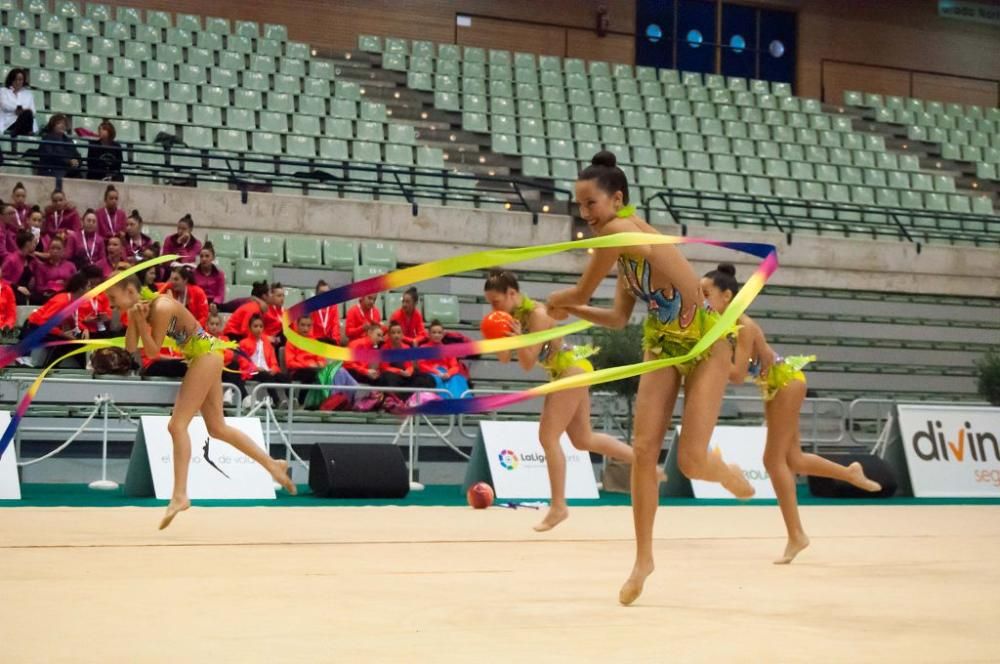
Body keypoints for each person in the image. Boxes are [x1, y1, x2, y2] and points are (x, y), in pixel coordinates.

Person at [545, 151, 753, 605]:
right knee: (642, 451)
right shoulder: (623, 251)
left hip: (706, 343)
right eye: (579, 207)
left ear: (617, 200)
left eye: (591, 205)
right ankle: (643, 559)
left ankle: (724, 471)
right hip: (661, 342)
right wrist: (572, 311)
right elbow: (618, 318)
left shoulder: (621, 232)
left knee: (692, 463)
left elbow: (579, 291)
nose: (585, 216)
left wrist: (555, 303)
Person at [701, 264, 881, 564]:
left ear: (727, 295)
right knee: (793, 459)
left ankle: (796, 534)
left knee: (772, 460)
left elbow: (735, 375)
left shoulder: (742, 325)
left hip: (786, 382)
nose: (702, 299)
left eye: (706, 293)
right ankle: (849, 473)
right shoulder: (724, 325)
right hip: (776, 385)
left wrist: (706, 357)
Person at [105, 276, 297, 528]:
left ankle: (180, 494)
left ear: (130, 291)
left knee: (177, 426)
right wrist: (136, 320)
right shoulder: (142, 308)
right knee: (217, 428)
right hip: (205, 355)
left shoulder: (161, 307)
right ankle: (272, 463)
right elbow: (131, 347)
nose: (110, 305)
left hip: (206, 355)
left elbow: (152, 353)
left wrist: (140, 321)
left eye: (112, 299)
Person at [485, 270, 639, 531]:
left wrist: (519, 338)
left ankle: (558, 506)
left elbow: (525, 364)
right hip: (566, 370)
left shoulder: (537, 315)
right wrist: (498, 336)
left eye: (496, 302)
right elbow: (503, 359)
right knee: (583, 439)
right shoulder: (514, 317)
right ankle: (642, 461)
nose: (493, 307)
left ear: (512, 294)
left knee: (548, 437)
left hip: (571, 368)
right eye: (490, 303)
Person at [21, 271, 90, 368]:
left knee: (75, 344)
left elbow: (74, 318)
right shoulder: (62, 301)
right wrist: (63, 334)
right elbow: (45, 323)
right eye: (88, 286)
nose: (90, 289)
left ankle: (83, 369)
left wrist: (85, 328)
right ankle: (47, 369)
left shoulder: (74, 300)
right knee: (61, 342)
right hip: (35, 326)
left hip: (48, 327)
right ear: (81, 288)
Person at [237, 313, 290, 407]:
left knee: (284, 377)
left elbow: (273, 362)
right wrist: (255, 368)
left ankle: (291, 399)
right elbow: (243, 362)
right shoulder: (243, 343)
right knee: (265, 375)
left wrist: (274, 369)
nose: (258, 329)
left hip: (266, 371)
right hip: (250, 372)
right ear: (250, 328)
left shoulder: (267, 344)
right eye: (255, 326)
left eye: (261, 326)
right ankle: (277, 401)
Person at [379, 320, 436, 405]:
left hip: (406, 376)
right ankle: (399, 400)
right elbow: (384, 367)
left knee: (428, 378)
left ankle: (412, 399)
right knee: (387, 377)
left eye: (398, 333)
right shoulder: (384, 348)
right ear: (389, 335)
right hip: (394, 376)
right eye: (393, 333)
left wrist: (409, 371)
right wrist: (399, 371)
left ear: (402, 335)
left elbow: (410, 366)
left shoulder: (406, 347)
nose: (396, 335)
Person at [416, 320, 470, 399]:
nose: (436, 335)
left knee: (458, 378)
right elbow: (421, 365)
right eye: (434, 332)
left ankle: (462, 403)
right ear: (429, 334)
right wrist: (437, 372)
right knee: (437, 380)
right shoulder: (423, 348)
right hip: (431, 374)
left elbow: (455, 366)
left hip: (446, 374)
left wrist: (448, 374)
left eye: (439, 332)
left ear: (443, 334)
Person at [285, 315, 330, 406]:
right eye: (303, 325)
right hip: (297, 370)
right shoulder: (291, 341)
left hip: (313, 369)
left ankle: (327, 403)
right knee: (311, 374)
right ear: (297, 325)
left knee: (328, 373)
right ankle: (302, 402)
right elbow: (290, 363)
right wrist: (307, 365)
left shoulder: (315, 342)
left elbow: (322, 360)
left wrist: (320, 364)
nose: (306, 328)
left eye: (308, 325)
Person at [30, 235, 75, 304]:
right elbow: (39, 288)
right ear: (48, 250)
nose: (55, 251)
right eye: (53, 248)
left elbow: (76, 284)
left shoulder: (70, 266)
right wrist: (53, 285)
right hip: (49, 298)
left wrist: (65, 284)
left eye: (58, 248)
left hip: (67, 297)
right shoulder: (41, 267)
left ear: (63, 250)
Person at [37, 114, 82, 178]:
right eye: (59, 123)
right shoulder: (47, 138)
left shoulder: (68, 140)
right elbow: (50, 156)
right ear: (53, 125)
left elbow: (77, 155)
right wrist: (68, 161)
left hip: (68, 171)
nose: (62, 126)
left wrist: (77, 162)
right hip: (52, 171)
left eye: (64, 124)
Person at [1, 68, 37, 137]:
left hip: (25, 122)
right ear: (11, 80)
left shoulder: (28, 94)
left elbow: (33, 111)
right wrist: (16, 110)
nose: (17, 82)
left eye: (20, 80)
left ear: (23, 81)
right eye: (15, 79)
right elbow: (4, 105)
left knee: (27, 114)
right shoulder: (3, 91)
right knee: (26, 114)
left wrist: (22, 112)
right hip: (9, 122)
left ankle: (18, 134)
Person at [2, 230, 35, 304]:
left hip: (27, 291)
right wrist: (17, 287)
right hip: (13, 290)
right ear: (28, 243)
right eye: (33, 242)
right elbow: (2, 279)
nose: (35, 245)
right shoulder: (11, 259)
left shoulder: (30, 258)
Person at [190, 243, 226, 308]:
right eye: (201, 256)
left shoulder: (220, 274)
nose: (204, 259)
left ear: (213, 258)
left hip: (215, 305)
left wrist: (215, 303)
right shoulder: (193, 273)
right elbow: (192, 293)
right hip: (199, 304)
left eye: (207, 256)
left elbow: (220, 295)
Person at [309, 280, 341, 345]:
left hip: (330, 341)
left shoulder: (333, 306)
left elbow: (335, 325)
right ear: (317, 295)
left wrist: (335, 341)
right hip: (316, 341)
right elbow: (310, 327)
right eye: (322, 293)